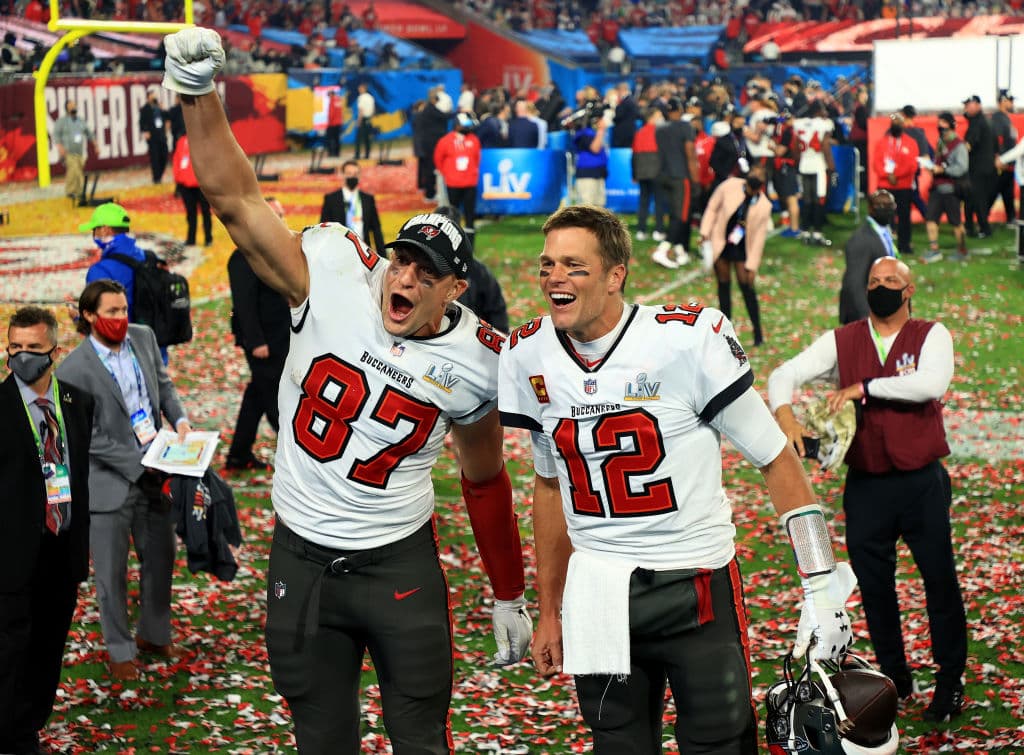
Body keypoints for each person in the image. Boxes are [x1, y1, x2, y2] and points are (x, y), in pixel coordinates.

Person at [161, 28, 531, 754]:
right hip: (301, 554)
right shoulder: (332, 272)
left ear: (458, 288)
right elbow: (235, 199)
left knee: (420, 737)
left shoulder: (476, 358)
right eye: (401, 261)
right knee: (319, 737)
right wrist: (198, 95)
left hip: (398, 559)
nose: (405, 279)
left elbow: (486, 479)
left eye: (428, 274)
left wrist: (508, 586)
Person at [499, 204, 858, 753]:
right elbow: (550, 486)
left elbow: (776, 459)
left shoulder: (688, 340)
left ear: (616, 275)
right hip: (597, 589)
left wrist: (820, 584)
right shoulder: (528, 354)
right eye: (547, 265)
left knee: (720, 744)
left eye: (574, 265)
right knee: (616, 745)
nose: (554, 278)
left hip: (693, 585)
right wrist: (549, 610)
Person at [768, 256, 968, 724]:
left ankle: (949, 680)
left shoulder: (930, 334)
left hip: (921, 481)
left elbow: (929, 385)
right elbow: (784, 373)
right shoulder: (845, 339)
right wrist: (785, 416)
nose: (881, 287)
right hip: (867, 486)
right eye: (874, 281)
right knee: (876, 590)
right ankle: (895, 680)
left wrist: (863, 388)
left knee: (939, 582)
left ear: (909, 289)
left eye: (891, 281)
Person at [56, 279, 192, 681]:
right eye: (111, 312)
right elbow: (87, 436)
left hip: (155, 469)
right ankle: (119, 650)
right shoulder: (73, 369)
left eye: (123, 310)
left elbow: (163, 387)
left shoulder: (144, 338)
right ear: (89, 316)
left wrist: (180, 420)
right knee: (111, 574)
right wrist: (139, 461)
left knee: (161, 558)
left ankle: (154, 632)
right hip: (111, 484)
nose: (120, 318)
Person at [1, 307, 94, 755]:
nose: (21, 357)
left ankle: (30, 726)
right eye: (13, 348)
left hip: (61, 549)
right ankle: (12, 737)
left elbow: (79, 477)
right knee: (9, 653)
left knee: (48, 648)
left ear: (54, 352)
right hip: (11, 555)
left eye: (32, 349)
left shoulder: (77, 402)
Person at [226, 198, 291, 471]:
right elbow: (244, 304)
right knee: (275, 398)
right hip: (263, 343)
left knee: (257, 395)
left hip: (280, 337)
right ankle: (296, 451)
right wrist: (256, 342)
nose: (280, 220)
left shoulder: (274, 252)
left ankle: (238, 455)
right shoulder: (243, 256)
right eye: (274, 215)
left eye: (281, 214)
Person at [699, 166, 772, 347]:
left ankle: (757, 331)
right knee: (724, 285)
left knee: (746, 286)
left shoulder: (764, 205)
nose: (756, 176)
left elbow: (759, 238)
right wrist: (705, 231)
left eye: (760, 175)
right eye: (754, 173)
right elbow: (712, 208)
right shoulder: (730, 186)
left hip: (742, 247)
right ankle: (726, 331)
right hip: (721, 240)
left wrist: (752, 265)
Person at [652, 96, 699, 268]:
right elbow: (690, 153)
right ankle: (662, 250)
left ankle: (680, 252)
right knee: (681, 216)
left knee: (674, 213)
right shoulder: (685, 126)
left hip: (663, 174)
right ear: (679, 110)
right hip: (680, 176)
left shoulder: (659, 128)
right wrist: (696, 179)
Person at [840, 189, 898, 324]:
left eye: (890, 206)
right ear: (870, 209)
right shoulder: (861, 240)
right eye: (881, 207)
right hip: (864, 314)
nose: (887, 210)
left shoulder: (885, 233)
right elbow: (855, 282)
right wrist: (866, 318)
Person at [924, 111, 970, 264]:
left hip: (951, 189)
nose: (940, 126)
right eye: (939, 123)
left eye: (944, 123)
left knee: (956, 222)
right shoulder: (940, 142)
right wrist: (931, 165)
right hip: (937, 188)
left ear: (951, 125)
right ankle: (934, 249)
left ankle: (963, 250)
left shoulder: (959, 145)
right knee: (930, 219)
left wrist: (943, 170)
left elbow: (962, 168)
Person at [872, 113, 919, 256]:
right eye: (894, 122)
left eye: (899, 122)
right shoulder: (882, 143)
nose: (896, 124)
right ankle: (884, 246)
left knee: (904, 217)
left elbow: (912, 165)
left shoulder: (911, 143)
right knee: (883, 217)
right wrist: (888, 175)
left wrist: (896, 175)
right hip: (885, 185)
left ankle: (904, 245)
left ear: (903, 125)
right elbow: (877, 163)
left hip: (903, 186)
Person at [434, 113, 482, 241]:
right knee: (453, 212)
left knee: (469, 213)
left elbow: (477, 158)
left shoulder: (474, 139)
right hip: (453, 183)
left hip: (470, 182)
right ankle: (454, 239)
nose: (467, 128)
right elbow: (438, 159)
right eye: (464, 125)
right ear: (456, 125)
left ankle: (470, 242)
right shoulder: (445, 141)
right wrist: (448, 173)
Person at [794, 100, 836, 246]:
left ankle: (805, 232)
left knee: (807, 199)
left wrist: (797, 162)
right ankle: (817, 234)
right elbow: (824, 145)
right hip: (818, 165)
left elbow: (796, 147)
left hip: (804, 164)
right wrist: (831, 165)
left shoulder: (800, 123)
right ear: (818, 111)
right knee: (819, 199)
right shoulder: (823, 124)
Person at [319, 160, 385, 251]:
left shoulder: (368, 199)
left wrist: (383, 258)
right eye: (349, 173)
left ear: (359, 176)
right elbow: (323, 229)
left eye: (356, 174)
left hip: (364, 253)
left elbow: (376, 230)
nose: (352, 177)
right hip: (339, 251)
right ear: (342, 175)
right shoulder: (331, 199)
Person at [962, 94, 995, 239]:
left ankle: (985, 229)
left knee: (978, 199)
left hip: (978, 168)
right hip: (985, 166)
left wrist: (957, 153)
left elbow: (969, 144)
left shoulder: (977, 122)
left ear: (978, 105)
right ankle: (970, 227)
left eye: (969, 105)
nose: (966, 108)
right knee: (971, 198)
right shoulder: (984, 121)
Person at [171, 135, 213, 247]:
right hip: (186, 184)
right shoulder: (181, 141)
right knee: (190, 213)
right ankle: (191, 239)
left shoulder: (203, 140)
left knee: (205, 212)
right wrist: (178, 179)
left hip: (201, 184)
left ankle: (208, 238)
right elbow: (177, 159)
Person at [631, 107, 664, 242]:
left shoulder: (639, 133)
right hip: (657, 171)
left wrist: (634, 174)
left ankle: (641, 230)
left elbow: (634, 155)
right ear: (652, 117)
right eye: (659, 115)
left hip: (642, 172)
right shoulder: (661, 132)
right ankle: (659, 230)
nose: (661, 117)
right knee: (659, 202)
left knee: (643, 202)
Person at [52, 99, 97, 200]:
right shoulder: (62, 122)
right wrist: (60, 148)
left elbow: (89, 133)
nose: (73, 107)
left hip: (79, 152)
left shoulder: (80, 121)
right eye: (70, 106)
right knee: (74, 170)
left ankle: (73, 191)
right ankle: (77, 191)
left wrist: (96, 145)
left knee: (76, 171)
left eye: (74, 105)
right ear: (67, 108)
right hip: (68, 152)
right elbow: (56, 135)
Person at [990, 90, 1018, 226]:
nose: (1012, 103)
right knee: (993, 192)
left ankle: (1011, 219)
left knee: (1008, 192)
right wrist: (998, 158)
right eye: (1010, 100)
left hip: (1008, 164)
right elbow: (997, 140)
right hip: (1001, 163)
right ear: (1002, 101)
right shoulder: (998, 119)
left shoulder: (1006, 118)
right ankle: (981, 218)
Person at [139, 91, 170, 184]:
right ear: (148, 97)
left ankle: (159, 174)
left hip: (161, 135)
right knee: (155, 158)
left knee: (164, 156)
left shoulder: (159, 107)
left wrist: (163, 109)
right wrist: (145, 131)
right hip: (152, 137)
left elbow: (167, 116)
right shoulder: (145, 109)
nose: (154, 98)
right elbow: (141, 122)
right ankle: (156, 178)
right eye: (152, 96)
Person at [354, 82, 376, 160]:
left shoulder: (361, 97)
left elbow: (361, 110)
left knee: (359, 138)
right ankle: (367, 154)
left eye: (360, 88)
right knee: (367, 138)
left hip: (363, 119)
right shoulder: (370, 97)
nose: (359, 90)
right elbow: (373, 110)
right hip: (369, 119)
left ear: (363, 89)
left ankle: (357, 155)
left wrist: (359, 121)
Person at [325, 90, 345, 158]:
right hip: (338, 122)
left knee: (329, 139)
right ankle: (337, 153)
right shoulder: (339, 100)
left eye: (329, 95)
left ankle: (331, 153)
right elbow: (341, 111)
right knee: (337, 139)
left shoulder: (332, 101)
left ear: (331, 95)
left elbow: (331, 113)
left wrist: (329, 123)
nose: (328, 97)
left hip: (332, 123)